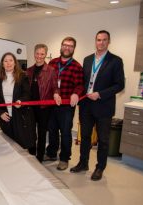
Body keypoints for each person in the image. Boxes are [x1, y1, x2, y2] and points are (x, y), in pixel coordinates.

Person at [70, 30, 125, 181]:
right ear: (95, 41)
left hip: (103, 106)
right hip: (86, 105)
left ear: (109, 42)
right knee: (85, 137)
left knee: (103, 140)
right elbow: (82, 81)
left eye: (104, 40)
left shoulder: (115, 61)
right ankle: (83, 163)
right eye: (98, 40)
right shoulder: (87, 60)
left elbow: (119, 85)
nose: (101, 42)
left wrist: (100, 93)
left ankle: (100, 168)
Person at [44, 37, 84, 171]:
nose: (67, 48)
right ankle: (51, 153)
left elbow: (80, 85)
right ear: (61, 46)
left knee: (66, 132)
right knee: (52, 130)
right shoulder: (53, 62)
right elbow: (47, 81)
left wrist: (76, 94)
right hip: (52, 104)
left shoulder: (76, 66)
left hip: (67, 106)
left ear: (73, 49)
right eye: (65, 45)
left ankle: (64, 158)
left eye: (70, 46)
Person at [0, 52, 36, 153]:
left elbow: (27, 93)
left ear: (15, 63)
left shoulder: (22, 77)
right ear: (2, 64)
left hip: (20, 115)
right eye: (5, 61)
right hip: (5, 116)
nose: (8, 63)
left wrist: (21, 101)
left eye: (11, 60)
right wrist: (0, 112)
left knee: (22, 143)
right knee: (9, 144)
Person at [26, 44, 59, 162]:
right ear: (34, 54)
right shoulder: (29, 71)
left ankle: (39, 157)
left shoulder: (51, 71)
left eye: (42, 54)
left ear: (45, 55)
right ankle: (31, 153)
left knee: (41, 133)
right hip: (30, 107)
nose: (39, 56)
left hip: (44, 108)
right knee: (30, 132)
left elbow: (55, 86)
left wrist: (56, 94)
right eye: (37, 53)